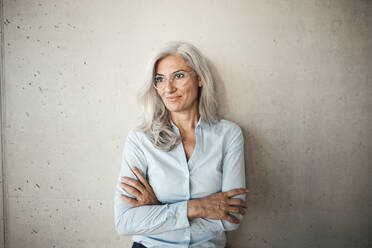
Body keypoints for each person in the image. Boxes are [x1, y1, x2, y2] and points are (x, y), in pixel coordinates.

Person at [114, 41, 248, 248]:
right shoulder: (140, 139)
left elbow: (230, 217)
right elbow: (124, 222)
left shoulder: (228, 135)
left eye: (179, 75)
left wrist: (157, 211)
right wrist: (197, 207)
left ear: (200, 78)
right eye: (160, 79)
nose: (168, 88)